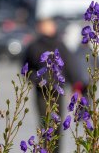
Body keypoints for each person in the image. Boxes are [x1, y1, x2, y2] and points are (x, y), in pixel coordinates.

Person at [22, 17, 87, 152]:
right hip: (42, 92)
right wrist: (37, 79)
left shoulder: (60, 45)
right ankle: (46, 149)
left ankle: (55, 150)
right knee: (45, 123)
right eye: (45, 25)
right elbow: (26, 69)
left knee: (56, 124)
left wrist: (77, 87)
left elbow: (70, 66)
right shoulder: (34, 46)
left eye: (50, 25)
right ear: (40, 27)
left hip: (57, 91)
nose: (48, 28)